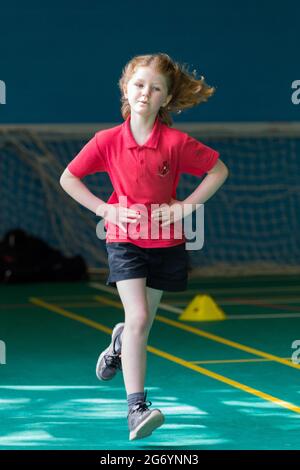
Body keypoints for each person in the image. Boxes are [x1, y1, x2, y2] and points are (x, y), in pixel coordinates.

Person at [59, 52, 229, 441]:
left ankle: (118, 344)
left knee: (141, 325)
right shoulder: (106, 141)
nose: (145, 93)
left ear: (166, 99)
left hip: (166, 244)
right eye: (139, 85)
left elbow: (218, 170)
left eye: (155, 89)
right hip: (125, 242)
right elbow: (68, 178)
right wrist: (106, 209)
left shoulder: (175, 142)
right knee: (138, 319)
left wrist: (186, 207)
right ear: (125, 88)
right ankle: (137, 409)